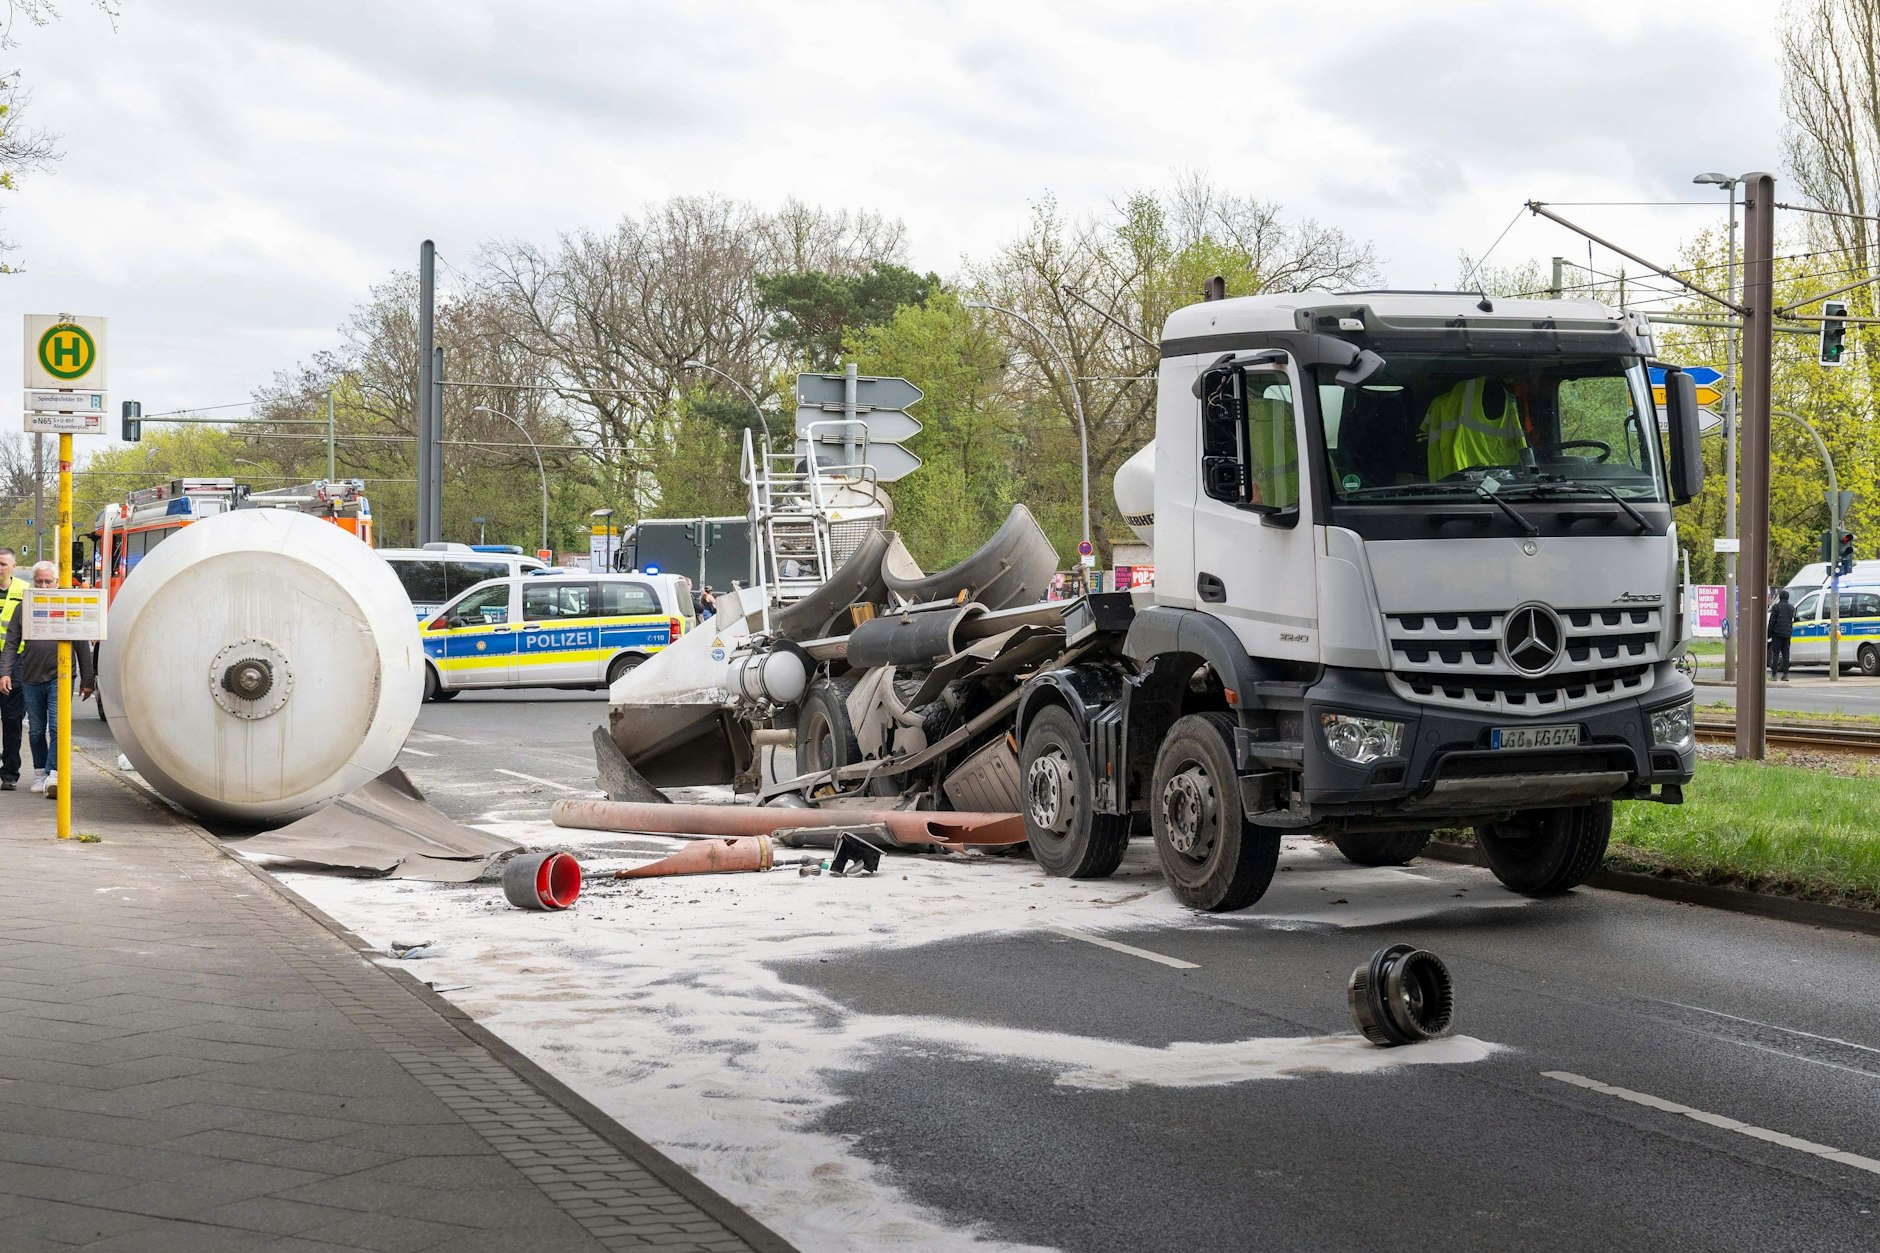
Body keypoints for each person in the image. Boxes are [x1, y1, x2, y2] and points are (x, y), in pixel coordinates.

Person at [0, 561, 95, 798]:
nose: (43, 585)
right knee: (35, 730)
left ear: (57, 582)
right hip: (30, 676)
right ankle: (40, 772)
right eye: (39, 581)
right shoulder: (25, 607)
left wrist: (87, 679)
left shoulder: (68, 604)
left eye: (48, 581)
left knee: (57, 726)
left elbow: (81, 643)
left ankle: (55, 773)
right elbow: (11, 642)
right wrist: (6, 672)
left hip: (60, 676)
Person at [1418, 377, 1528, 480]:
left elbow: (1422, 435)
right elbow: (1523, 447)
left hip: (1453, 488)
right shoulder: (1511, 403)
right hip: (1499, 487)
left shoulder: (1439, 405)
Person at [0, 547, 26, 791]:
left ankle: (9, 772)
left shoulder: (24, 591)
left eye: (3, 564)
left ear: (13, 566)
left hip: (15, 661)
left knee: (12, 720)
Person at [1767, 588, 1796, 682]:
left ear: (1780, 597)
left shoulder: (1776, 607)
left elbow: (1772, 621)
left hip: (1777, 634)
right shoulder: (1792, 608)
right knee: (1786, 654)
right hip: (1787, 634)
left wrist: (1769, 633)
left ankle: (1774, 675)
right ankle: (1785, 675)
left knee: (1775, 654)